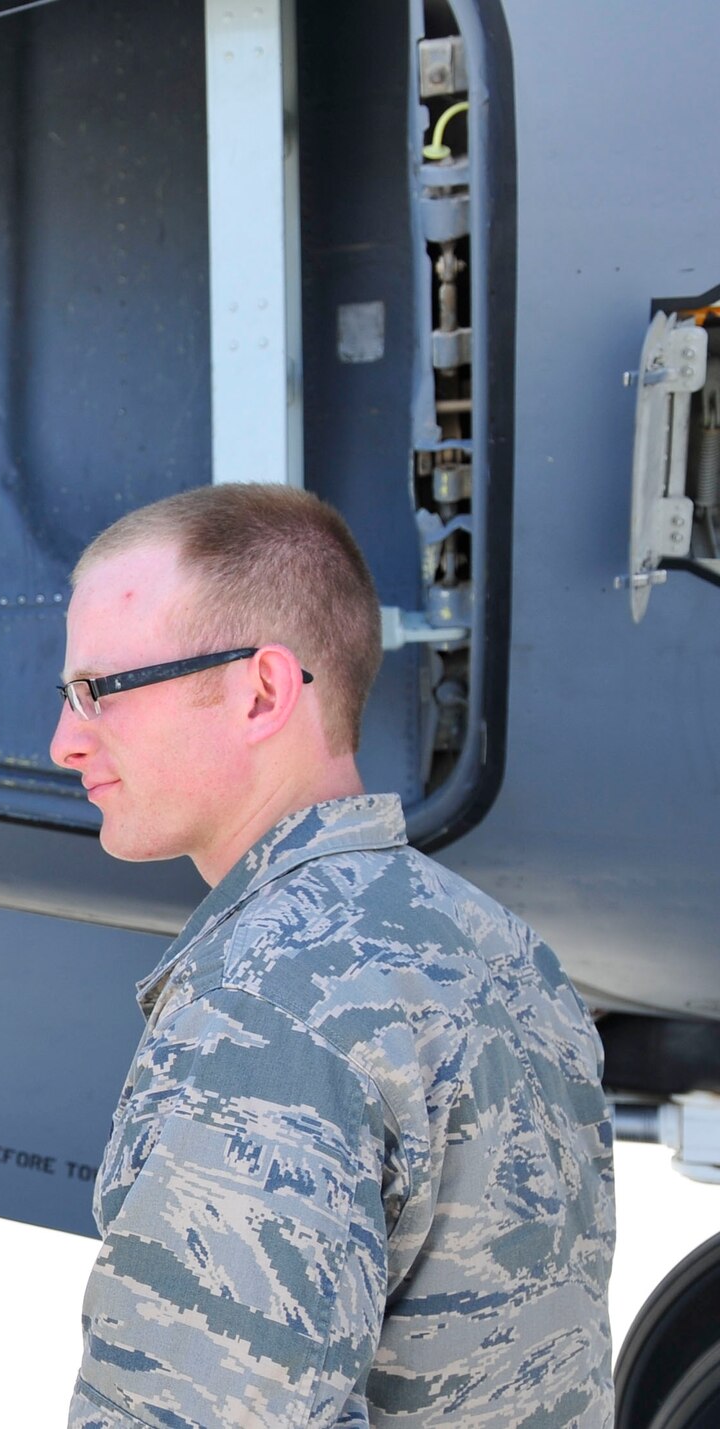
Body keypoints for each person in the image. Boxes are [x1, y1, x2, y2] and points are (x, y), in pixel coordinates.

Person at [51, 485, 613, 1426]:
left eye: (98, 691)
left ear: (262, 690)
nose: (65, 742)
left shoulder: (268, 998)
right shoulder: (509, 956)